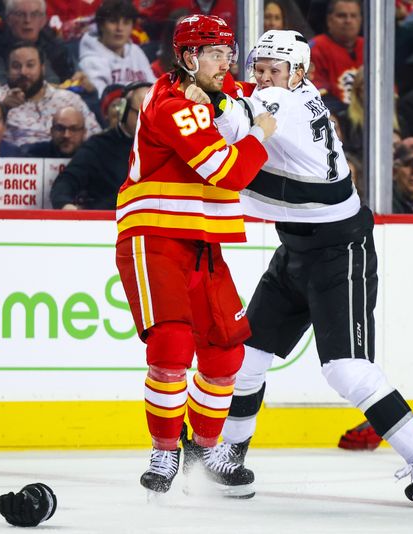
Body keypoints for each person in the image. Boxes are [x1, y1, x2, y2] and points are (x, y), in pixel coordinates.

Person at [188, 29, 413, 508]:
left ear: (298, 74)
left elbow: (234, 123)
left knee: (348, 371)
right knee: (246, 358)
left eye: (275, 69)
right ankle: (228, 456)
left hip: (341, 253)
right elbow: (241, 111)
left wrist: (195, 90)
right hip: (297, 248)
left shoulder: (285, 104)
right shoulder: (287, 94)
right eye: (259, 67)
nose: (264, 76)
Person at [113, 14, 276, 498]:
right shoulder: (169, 104)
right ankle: (165, 449)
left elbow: (263, 92)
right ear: (188, 57)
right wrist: (261, 132)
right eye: (217, 54)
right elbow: (225, 171)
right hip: (155, 237)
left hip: (203, 242)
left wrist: (280, 87)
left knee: (226, 352)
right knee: (171, 350)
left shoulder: (215, 88)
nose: (228, 63)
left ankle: (203, 451)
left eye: (230, 53)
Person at [50, 83, 151, 209]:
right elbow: (66, 182)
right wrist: (66, 205)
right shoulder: (99, 146)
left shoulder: (167, 146)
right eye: (141, 114)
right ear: (123, 110)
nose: (149, 121)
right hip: (109, 223)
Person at [0, 42, 101, 146]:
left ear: (42, 69)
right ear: (7, 70)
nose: (23, 72)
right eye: (16, 66)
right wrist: (2, 110)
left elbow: (96, 139)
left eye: (30, 65)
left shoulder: (69, 100)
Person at [0, 0, 82, 88]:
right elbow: (0, 89)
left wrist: (82, 84)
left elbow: (73, 81)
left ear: (43, 20)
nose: (27, 20)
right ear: (8, 19)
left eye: (35, 14)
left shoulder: (57, 47)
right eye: (20, 14)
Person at [78, 0, 157, 97]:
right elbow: (102, 99)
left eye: (126, 22)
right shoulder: (90, 61)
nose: (120, 28)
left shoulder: (136, 51)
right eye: (113, 21)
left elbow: (154, 86)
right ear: (101, 25)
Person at [308, 0, 364, 113]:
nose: (348, 21)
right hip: (334, 117)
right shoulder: (315, 48)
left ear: (360, 20)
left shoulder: (372, 47)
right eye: (342, 15)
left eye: (353, 16)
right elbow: (317, 97)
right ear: (329, 20)